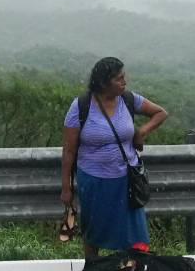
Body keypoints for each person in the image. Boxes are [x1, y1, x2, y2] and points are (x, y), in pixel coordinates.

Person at [60, 57, 169, 260]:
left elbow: (160, 113)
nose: (124, 82)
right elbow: (68, 151)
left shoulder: (128, 100)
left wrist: (141, 132)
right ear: (103, 82)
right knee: (94, 230)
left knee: (133, 232)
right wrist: (66, 188)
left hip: (126, 180)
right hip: (94, 180)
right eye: (119, 79)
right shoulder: (81, 106)